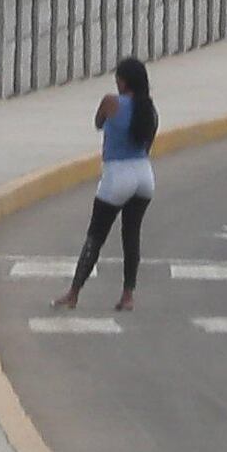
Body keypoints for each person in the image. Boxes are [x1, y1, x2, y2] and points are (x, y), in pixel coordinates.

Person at [55, 57, 158, 309]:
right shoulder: (150, 110)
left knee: (95, 237)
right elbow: (147, 144)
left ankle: (74, 293)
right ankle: (128, 295)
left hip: (116, 175)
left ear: (123, 81)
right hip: (144, 175)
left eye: (118, 79)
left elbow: (98, 123)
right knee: (131, 235)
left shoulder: (110, 102)